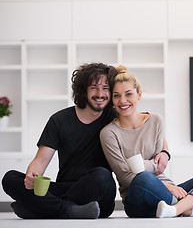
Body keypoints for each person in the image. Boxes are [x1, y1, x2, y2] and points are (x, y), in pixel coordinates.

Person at [100, 65, 193, 218]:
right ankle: (189, 207)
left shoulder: (155, 121)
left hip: (167, 190)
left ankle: (175, 209)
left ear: (139, 95)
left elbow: (158, 167)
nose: (123, 101)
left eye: (128, 94)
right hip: (138, 198)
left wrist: (154, 168)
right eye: (116, 96)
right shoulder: (108, 133)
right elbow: (126, 177)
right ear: (112, 100)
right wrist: (164, 183)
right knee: (143, 177)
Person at [2, 63, 119, 219]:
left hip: (98, 193)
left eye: (105, 88)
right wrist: (32, 175)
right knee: (10, 178)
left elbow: (145, 123)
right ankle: (68, 210)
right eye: (93, 87)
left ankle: (43, 208)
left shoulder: (115, 117)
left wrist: (164, 151)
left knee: (103, 176)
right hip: (64, 188)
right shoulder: (60, 120)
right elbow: (40, 161)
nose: (100, 93)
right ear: (83, 90)